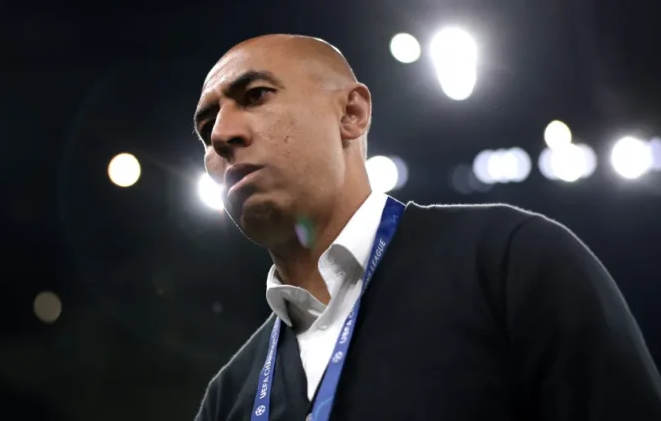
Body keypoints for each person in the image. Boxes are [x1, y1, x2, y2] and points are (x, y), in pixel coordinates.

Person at [191, 34, 661, 421]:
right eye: (207, 127)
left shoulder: (510, 262)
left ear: (351, 115)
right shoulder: (229, 397)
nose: (222, 135)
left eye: (256, 96)